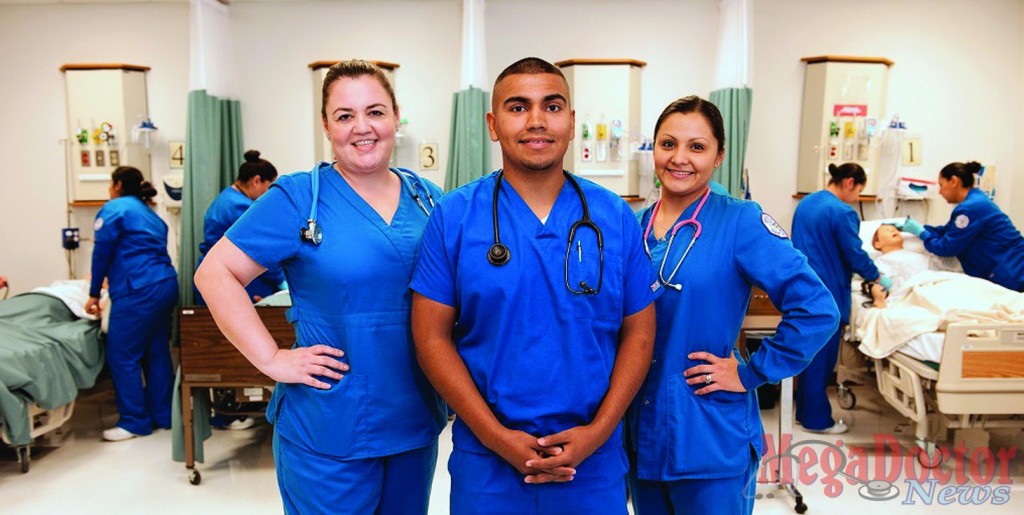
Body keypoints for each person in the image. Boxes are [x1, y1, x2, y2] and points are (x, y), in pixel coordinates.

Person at [195, 60, 446, 514]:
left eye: (375, 111)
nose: (362, 128)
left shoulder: (427, 198)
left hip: (412, 421)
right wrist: (271, 358)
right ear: (326, 126)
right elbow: (215, 274)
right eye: (345, 115)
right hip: (328, 424)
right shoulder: (297, 198)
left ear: (395, 117)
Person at [410, 57, 658, 513]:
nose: (537, 121)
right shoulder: (454, 217)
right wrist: (496, 437)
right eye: (518, 107)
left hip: (592, 462)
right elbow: (430, 337)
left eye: (553, 106)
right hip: (487, 463)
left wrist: (599, 432)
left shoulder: (614, 218)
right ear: (492, 124)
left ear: (572, 122)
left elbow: (639, 333)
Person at [627, 96, 839, 515]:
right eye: (668, 144)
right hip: (641, 433)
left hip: (708, 432)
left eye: (697, 147)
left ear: (720, 155)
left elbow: (817, 308)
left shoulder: (741, 221)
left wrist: (750, 372)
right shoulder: (633, 227)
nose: (680, 158)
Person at [791, 162, 888, 434]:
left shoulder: (807, 204)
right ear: (849, 183)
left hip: (802, 290)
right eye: (858, 191)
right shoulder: (842, 212)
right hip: (828, 294)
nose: (856, 198)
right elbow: (854, 254)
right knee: (822, 358)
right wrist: (877, 276)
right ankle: (817, 420)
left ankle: (803, 411)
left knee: (808, 355)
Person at [84, 166, 178, 442]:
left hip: (138, 289)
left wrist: (92, 292)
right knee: (157, 351)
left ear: (116, 184)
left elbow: (101, 253)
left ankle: (135, 421)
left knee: (123, 355)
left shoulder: (114, 210)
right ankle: (163, 415)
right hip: (165, 284)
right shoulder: (150, 214)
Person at [898, 161, 1024, 292]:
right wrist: (922, 228)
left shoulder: (970, 208)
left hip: (1013, 271)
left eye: (941, 185)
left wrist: (922, 234)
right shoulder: (975, 200)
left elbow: (947, 247)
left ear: (953, 181)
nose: (940, 192)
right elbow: (948, 231)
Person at [194, 149, 283, 306]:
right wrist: (282, 281)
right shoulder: (241, 207)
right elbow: (262, 250)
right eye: (269, 186)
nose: (269, 194)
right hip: (229, 281)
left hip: (219, 276)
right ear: (256, 180)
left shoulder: (225, 198)